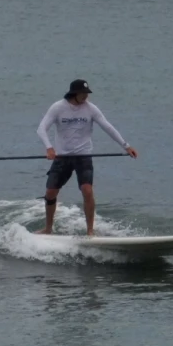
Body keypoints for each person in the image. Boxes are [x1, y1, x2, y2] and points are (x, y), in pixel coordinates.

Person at [36, 79, 138, 236]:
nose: (85, 96)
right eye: (82, 93)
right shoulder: (58, 107)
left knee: (87, 190)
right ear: (74, 93)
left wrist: (126, 145)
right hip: (62, 157)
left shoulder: (91, 109)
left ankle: (90, 231)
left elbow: (107, 127)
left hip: (84, 156)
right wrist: (49, 147)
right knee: (50, 193)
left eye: (87, 93)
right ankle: (48, 229)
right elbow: (41, 128)